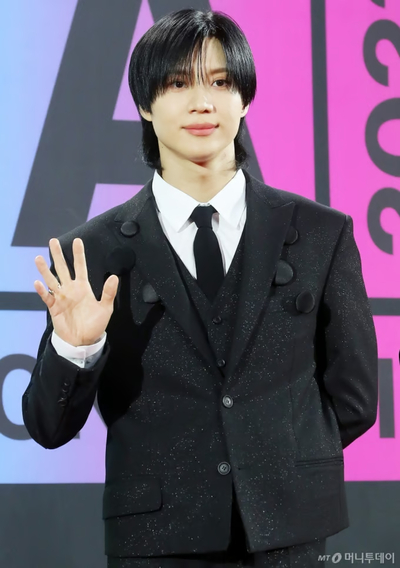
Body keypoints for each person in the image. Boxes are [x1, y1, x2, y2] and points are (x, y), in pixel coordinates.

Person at [22, 8, 378, 568]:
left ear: (245, 97)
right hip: (156, 539)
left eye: (219, 82)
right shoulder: (91, 252)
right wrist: (76, 347)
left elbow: (355, 397)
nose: (202, 103)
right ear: (145, 104)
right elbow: (48, 427)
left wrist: (278, 465)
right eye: (177, 84)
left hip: (290, 534)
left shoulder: (320, 234)